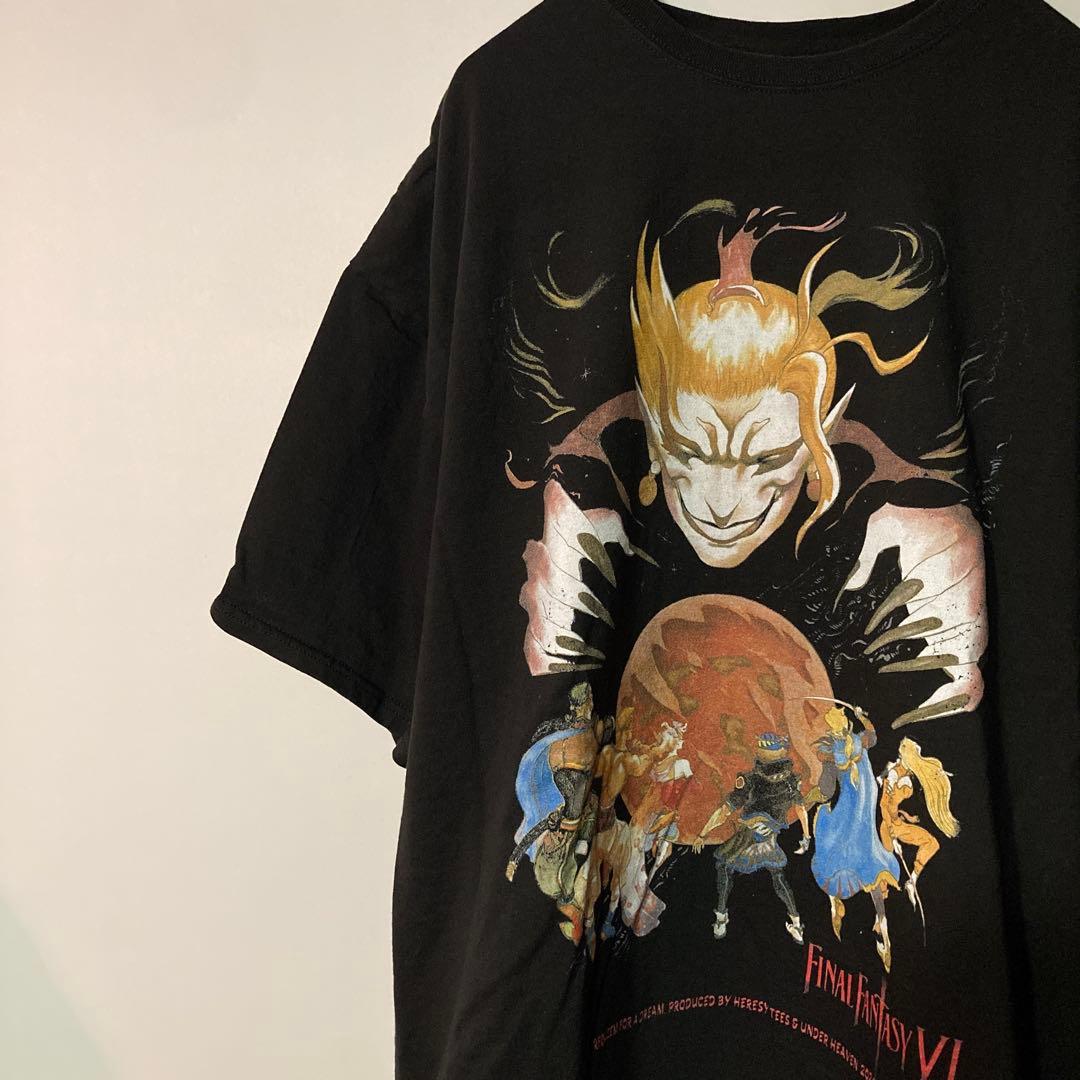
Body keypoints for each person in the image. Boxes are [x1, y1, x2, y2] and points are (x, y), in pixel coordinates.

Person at [691, 732, 810, 945]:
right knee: (778, 875)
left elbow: (726, 810)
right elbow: (801, 809)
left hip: (748, 837)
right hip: (770, 839)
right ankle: (796, 923)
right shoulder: (792, 781)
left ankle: (721, 917)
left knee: (723, 865)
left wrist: (703, 833)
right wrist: (807, 836)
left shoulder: (750, 779)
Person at [810, 704, 900, 970]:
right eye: (836, 719)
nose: (841, 720)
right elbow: (833, 772)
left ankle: (880, 929)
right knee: (842, 841)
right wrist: (838, 750)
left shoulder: (856, 738)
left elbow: (872, 735)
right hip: (852, 802)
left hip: (865, 799)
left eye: (842, 716)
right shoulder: (834, 746)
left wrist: (861, 716)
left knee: (862, 845)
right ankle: (837, 902)